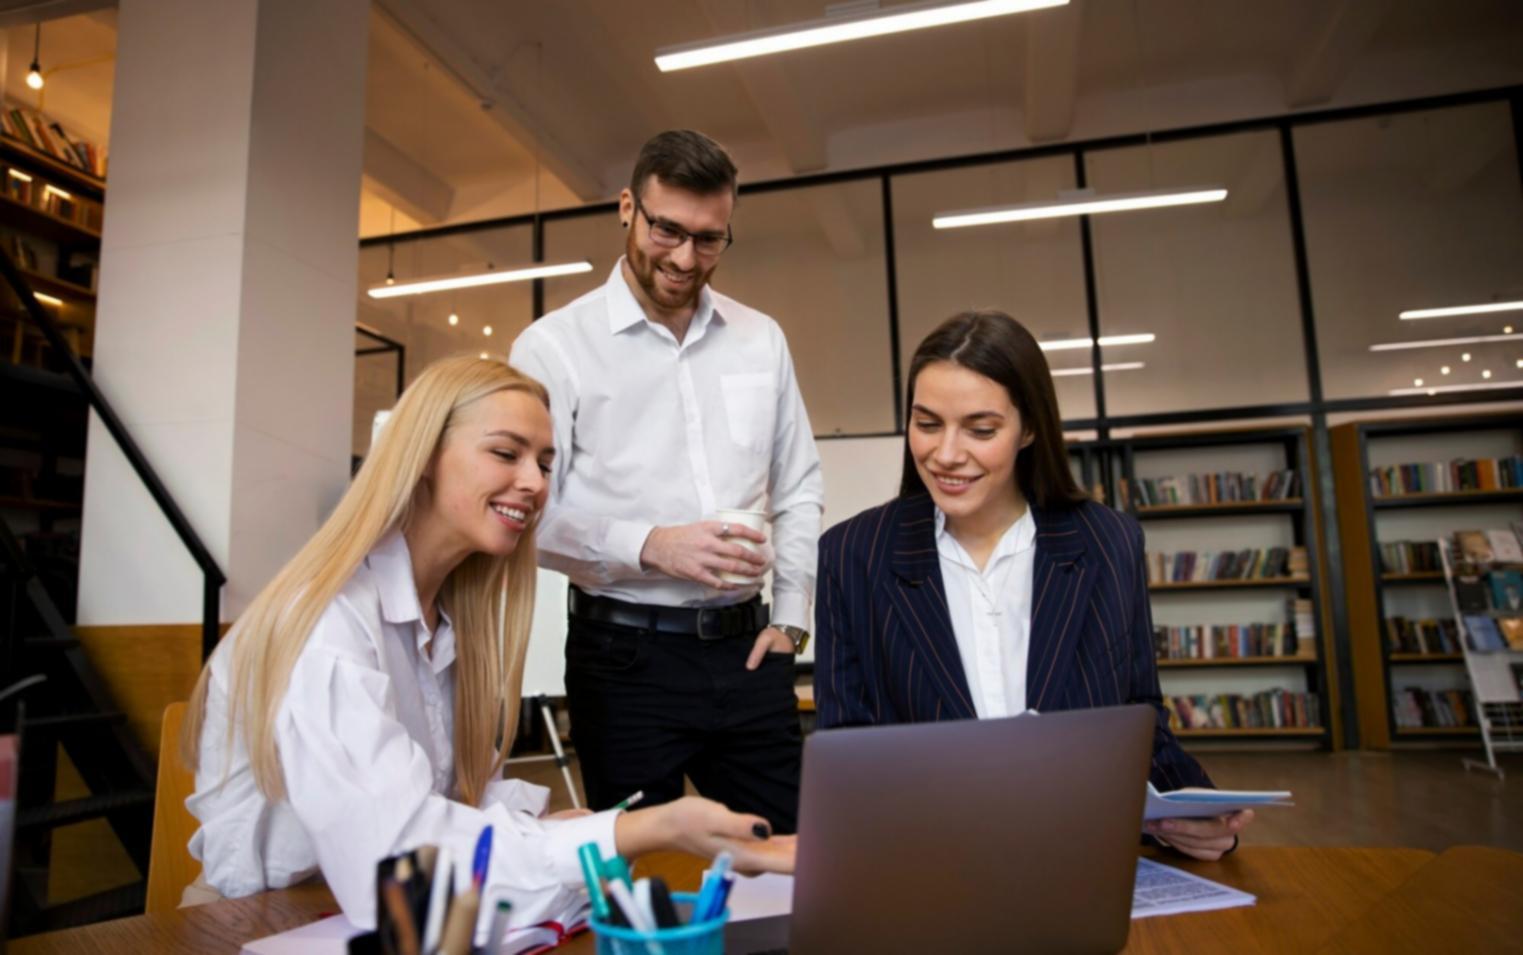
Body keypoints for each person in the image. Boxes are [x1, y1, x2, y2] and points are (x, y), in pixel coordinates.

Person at [182, 356, 793, 936]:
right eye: (506, 453)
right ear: (422, 457)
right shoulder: (326, 626)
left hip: (364, 919)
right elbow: (400, 871)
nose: (534, 484)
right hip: (260, 925)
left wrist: (554, 827)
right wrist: (650, 826)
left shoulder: (449, 622)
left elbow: (445, 801)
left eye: (546, 464)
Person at [813, 311, 1253, 861]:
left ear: (1030, 428)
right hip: (927, 863)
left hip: (1078, 855)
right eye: (927, 424)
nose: (946, 454)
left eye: (980, 429)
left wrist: (1193, 813)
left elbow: (1138, 716)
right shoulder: (852, 555)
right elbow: (846, 749)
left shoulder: (1106, 542)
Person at [509, 129, 823, 834]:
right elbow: (525, 511)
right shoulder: (553, 347)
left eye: (709, 239)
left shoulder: (759, 337)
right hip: (624, 659)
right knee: (639, 884)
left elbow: (799, 482)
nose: (685, 258)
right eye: (667, 230)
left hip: (749, 652)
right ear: (628, 207)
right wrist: (652, 545)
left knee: (787, 862)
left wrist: (792, 617)